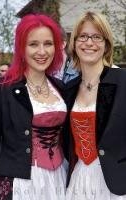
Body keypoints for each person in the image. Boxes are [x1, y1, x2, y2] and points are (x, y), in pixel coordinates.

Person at [0, 14, 68, 200]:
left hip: (59, 177)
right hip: (21, 183)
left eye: (48, 44)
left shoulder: (61, 87)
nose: (42, 52)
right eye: (33, 44)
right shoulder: (2, 89)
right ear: (21, 48)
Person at [63, 11, 126, 199]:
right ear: (74, 43)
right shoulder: (68, 89)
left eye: (97, 37)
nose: (89, 43)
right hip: (80, 179)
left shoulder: (123, 81)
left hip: (118, 183)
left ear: (106, 44)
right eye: (83, 36)